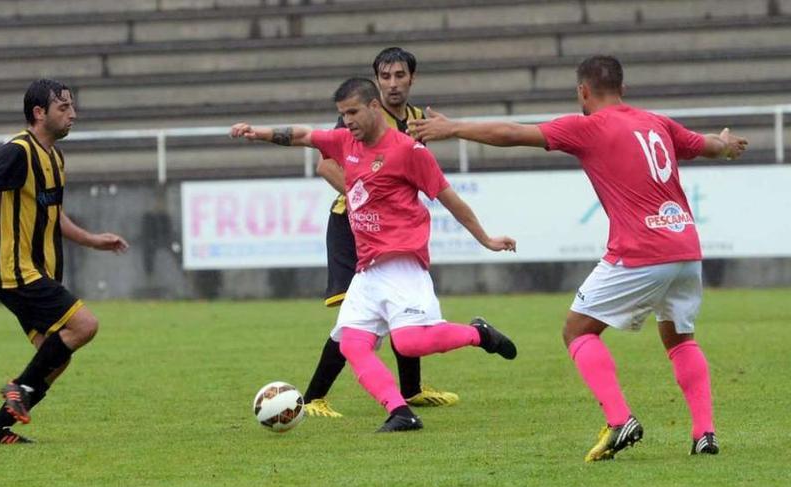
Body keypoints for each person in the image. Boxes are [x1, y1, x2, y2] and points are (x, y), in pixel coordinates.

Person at [410, 55, 748, 459]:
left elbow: (513, 133)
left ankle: (621, 420)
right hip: (685, 247)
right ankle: (704, 433)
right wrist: (726, 145)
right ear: (623, 88)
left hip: (640, 250)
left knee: (577, 331)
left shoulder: (588, 126)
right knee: (678, 339)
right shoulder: (656, 122)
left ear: (583, 91)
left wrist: (454, 128)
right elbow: (709, 145)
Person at [231, 78, 518, 432]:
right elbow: (304, 136)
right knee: (351, 343)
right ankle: (400, 412)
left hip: (402, 263)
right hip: (367, 272)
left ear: (373, 107)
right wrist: (255, 132)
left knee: (410, 343)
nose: (347, 120)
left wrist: (486, 239)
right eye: (342, 114)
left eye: (352, 112)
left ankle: (479, 333)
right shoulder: (345, 142)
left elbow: (449, 199)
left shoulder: (408, 151)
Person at [0, 79, 129, 444]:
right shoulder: (18, 151)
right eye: (64, 108)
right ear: (40, 113)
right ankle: (17, 387)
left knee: (57, 356)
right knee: (84, 326)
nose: (73, 114)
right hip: (16, 271)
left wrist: (94, 240)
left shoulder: (55, 156)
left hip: (36, 271)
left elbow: (54, 215)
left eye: (71, 107)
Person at [304, 47, 458, 419]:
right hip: (349, 226)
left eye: (399, 75)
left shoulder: (419, 119)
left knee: (402, 307)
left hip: (392, 229)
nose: (393, 83)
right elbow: (324, 163)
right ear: (376, 83)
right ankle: (313, 397)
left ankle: (411, 391)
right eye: (385, 76)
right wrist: (362, 197)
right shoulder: (360, 116)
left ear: (412, 79)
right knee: (353, 319)